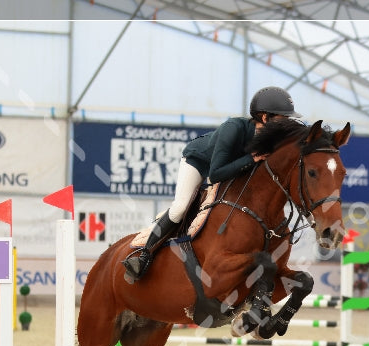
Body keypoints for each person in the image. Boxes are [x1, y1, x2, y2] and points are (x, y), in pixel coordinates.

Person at [123, 86, 302, 282]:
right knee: (180, 208)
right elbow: (215, 174)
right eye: (281, 119)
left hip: (232, 168)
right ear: (264, 117)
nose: (285, 123)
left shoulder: (273, 139)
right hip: (199, 163)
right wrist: (251, 159)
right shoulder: (233, 128)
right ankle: (144, 256)